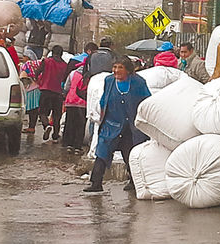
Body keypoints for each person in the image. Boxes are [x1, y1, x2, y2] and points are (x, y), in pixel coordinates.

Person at [83, 55, 151, 193]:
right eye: (114, 67)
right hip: (111, 123)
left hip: (130, 126)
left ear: (128, 70)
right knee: (101, 153)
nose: (116, 70)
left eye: (120, 67)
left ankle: (133, 181)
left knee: (129, 154)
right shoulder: (109, 80)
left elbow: (147, 101)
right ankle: (96, 183)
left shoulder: (138, 82)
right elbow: (104, 99)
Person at [34, 45, 67, 142]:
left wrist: (37, 80)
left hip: (46, 90)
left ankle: (47, 125)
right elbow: (65, 79)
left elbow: (37, 72)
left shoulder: (46, 61)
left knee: (42, 112)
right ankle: (55, 136)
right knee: (57, 115)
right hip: (58, 93)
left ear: (52, 52)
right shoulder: (65, 65)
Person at [62, 61, 87, 155]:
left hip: (71, 101)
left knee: (70, 123)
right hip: (83, 103)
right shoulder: (89, 76)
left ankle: (69, 145)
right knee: (80, 125)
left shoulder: (72, 73)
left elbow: (66, 87)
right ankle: (77, 147)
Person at [20, 48, 41, 134]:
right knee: (34, 110)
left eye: (24, 56)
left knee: (23, 109)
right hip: (36, 89)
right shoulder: (37, 65)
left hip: (28, 90)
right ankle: (31, 127)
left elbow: (21, 77)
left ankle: (26, 127)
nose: (23, 58)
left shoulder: (25, 65)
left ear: (29, 57)